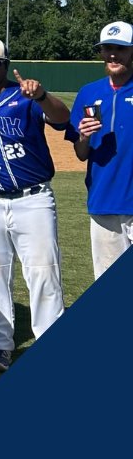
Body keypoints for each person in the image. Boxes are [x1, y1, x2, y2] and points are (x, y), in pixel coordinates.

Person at [0, 37, 69, 371]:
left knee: (43, 272)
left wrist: (41, 95)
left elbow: (62, 117)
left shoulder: (24, 96)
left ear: (6, 66)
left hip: (32, 198)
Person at [72, 20, 133, 277]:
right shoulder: (89, 92)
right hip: (104, 200)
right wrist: (84, 138)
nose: (112, 54)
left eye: (120, 48)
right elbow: (81, 153)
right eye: (107, 48)